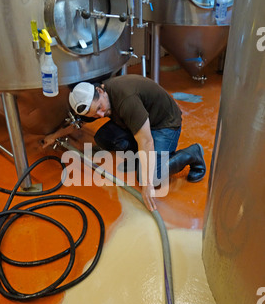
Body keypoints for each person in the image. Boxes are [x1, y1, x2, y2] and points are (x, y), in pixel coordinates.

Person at [42, 74, 206, 211]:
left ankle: (193, 154)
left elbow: (146, 140)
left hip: (164, 124)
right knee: (103, 138)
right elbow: (78, 124)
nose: (100, 115)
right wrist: (55, 135)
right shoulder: (92, 101)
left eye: (100, 108)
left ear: (101, 90)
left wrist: (147, 185)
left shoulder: (126, 99)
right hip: (138, 122)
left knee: (153, 177)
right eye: (94, 114)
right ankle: (140, 159)